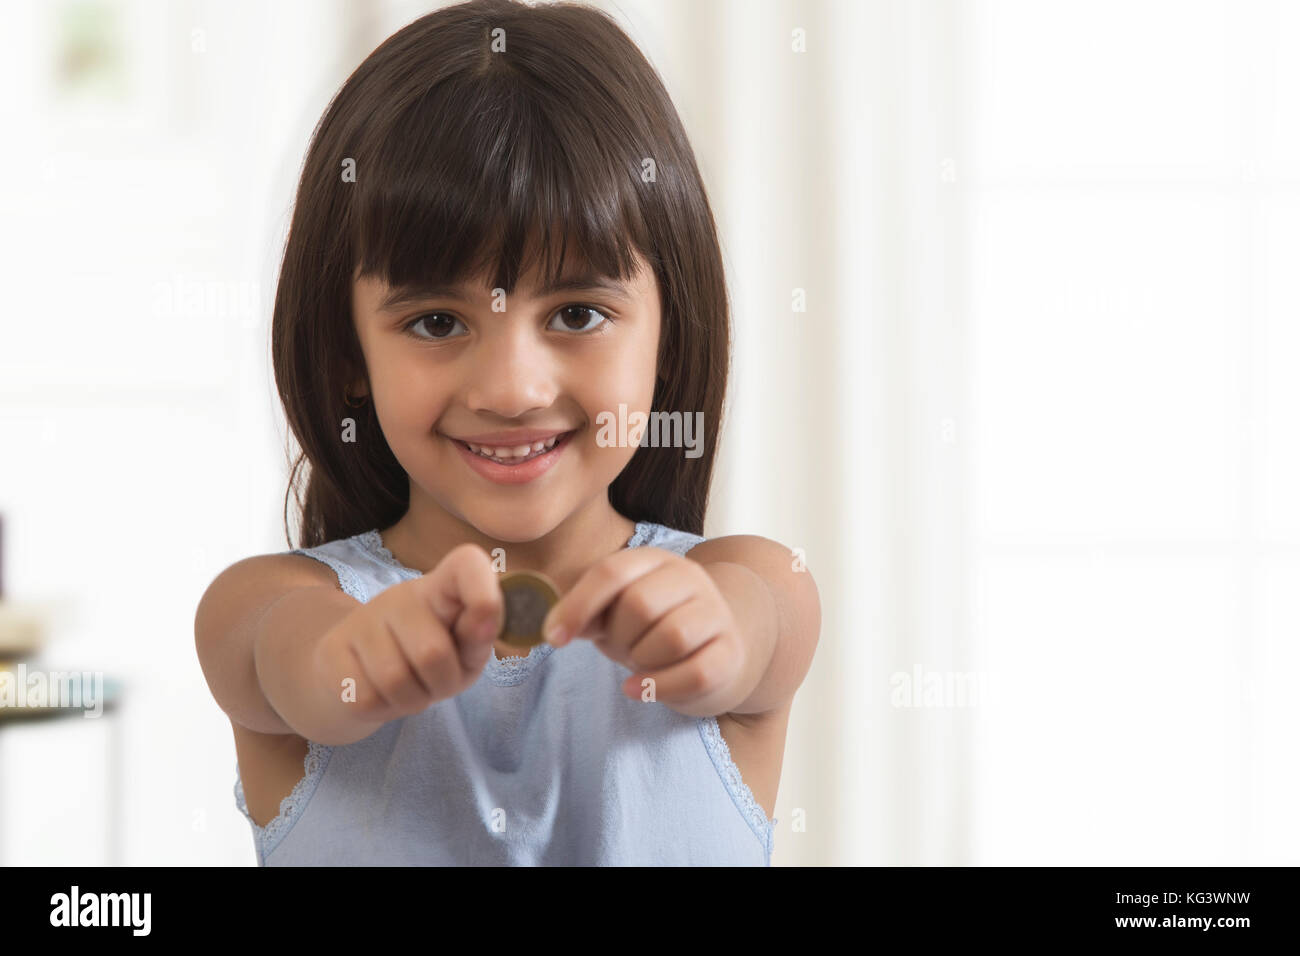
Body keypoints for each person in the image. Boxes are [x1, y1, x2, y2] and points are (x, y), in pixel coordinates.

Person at [194, 0, 820, 866]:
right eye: (436, 324)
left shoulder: (742, 581)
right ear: (348, 353)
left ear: (669, 336)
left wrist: (718, 636)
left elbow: (767, 621)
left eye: (576, 312)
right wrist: (352, 658)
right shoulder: (267, 604)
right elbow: (279, 660)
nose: (513, 390)